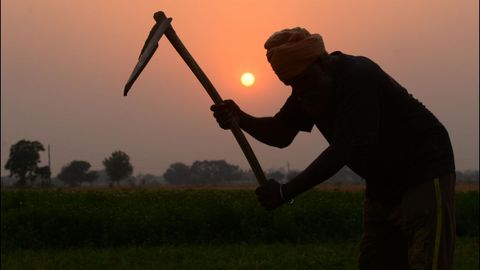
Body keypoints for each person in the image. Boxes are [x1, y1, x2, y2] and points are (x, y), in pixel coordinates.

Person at [210, 27, 456, 270]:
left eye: (301, 81)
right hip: (382, 186)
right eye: (291, 85)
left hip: (422, 172)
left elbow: (344, 149)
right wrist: (240, 119)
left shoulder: (358, 76)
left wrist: (285, 192)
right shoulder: (307, 87)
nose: (299, 90)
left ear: (321, 62)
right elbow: (281, 133)